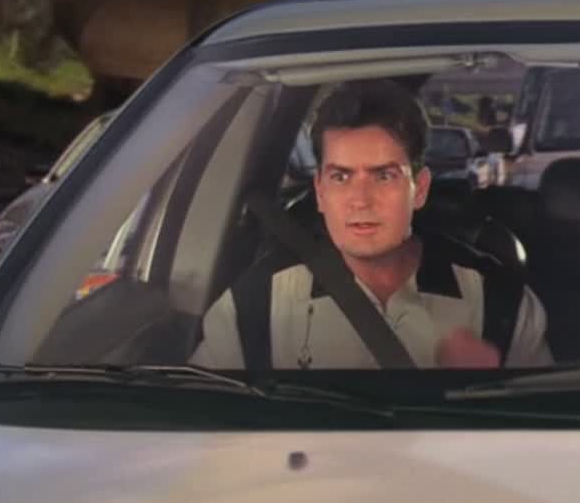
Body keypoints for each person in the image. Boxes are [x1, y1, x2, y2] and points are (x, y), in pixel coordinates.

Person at [191, 80, 553, 370]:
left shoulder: (499, 304)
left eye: (383, 176)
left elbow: (543, 431)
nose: (360, 200)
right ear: (320, 192)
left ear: (419, 189)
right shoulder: (255, 306)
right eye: (341, 177)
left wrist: (478, 398)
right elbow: (199, 422)